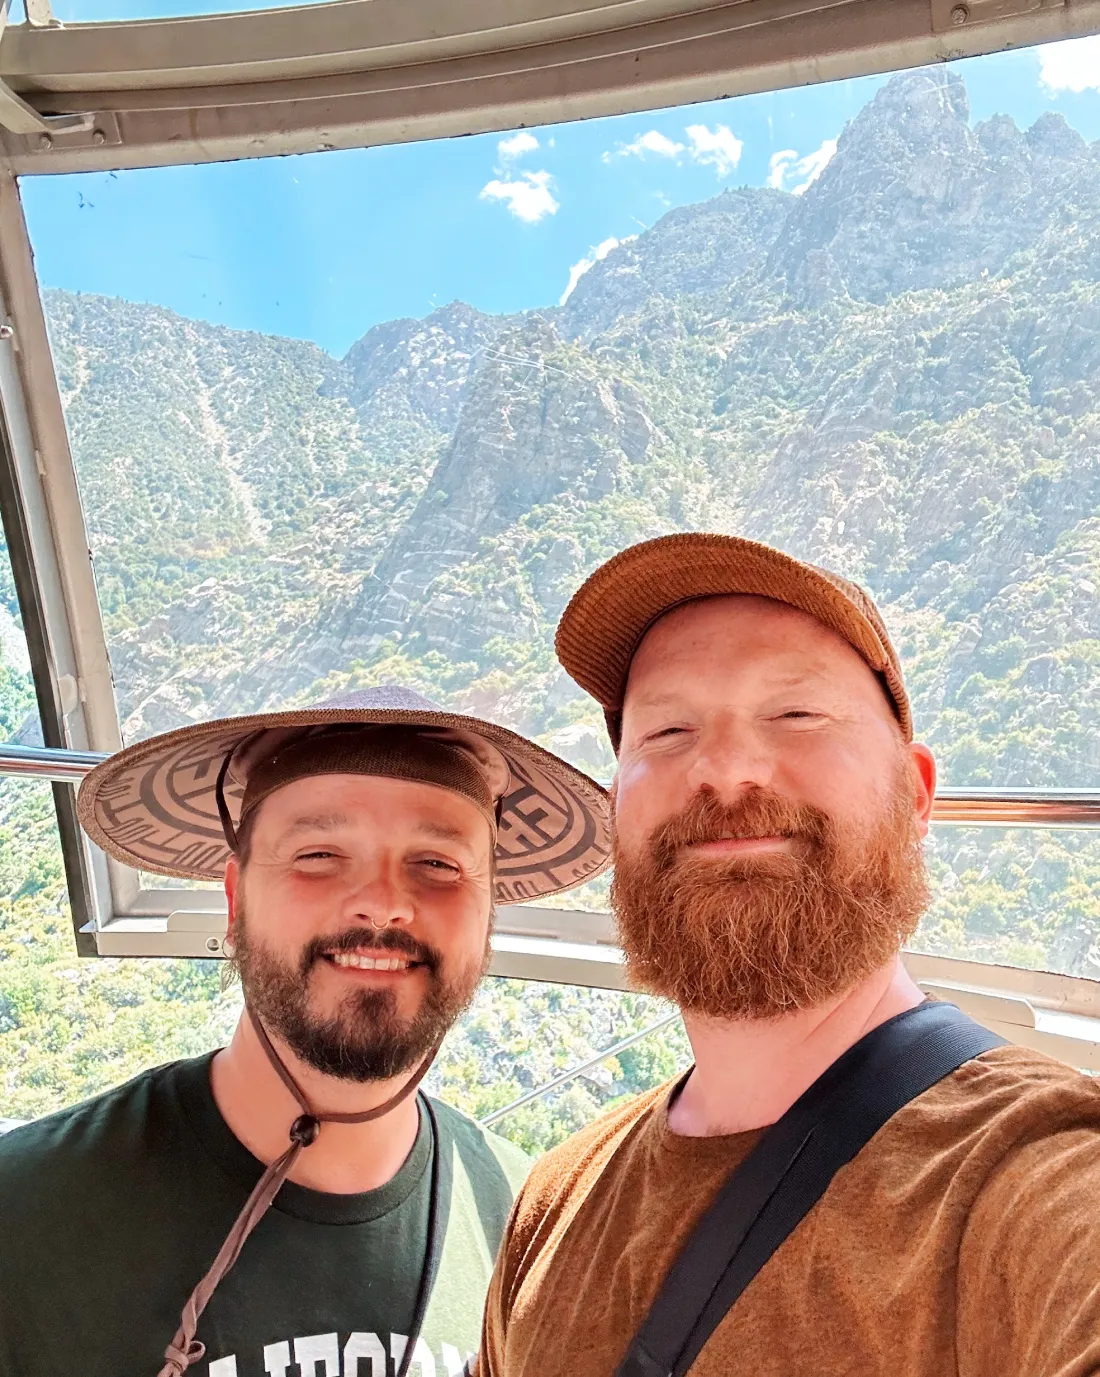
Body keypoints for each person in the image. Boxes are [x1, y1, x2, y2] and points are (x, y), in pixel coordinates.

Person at [479, 533, 1100, 1377]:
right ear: (616, 804)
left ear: (915, 796)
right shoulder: (556, 1204)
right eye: (665, 728)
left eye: (796, 714)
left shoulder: (1027, 1176)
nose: (726, 768)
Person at [0, 685, 612, 1377]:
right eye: (319, 854)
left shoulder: (533, 1232)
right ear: (235, 899)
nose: (383, 901)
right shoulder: (24, 1227)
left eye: (439, 863)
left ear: (487, 914)